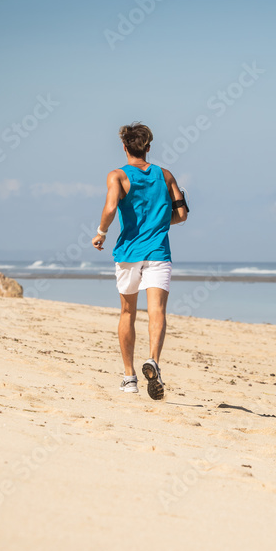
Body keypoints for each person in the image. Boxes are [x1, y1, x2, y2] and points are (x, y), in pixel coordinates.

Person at [92, 122, 188, 400]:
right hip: (158, 252)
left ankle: (129, 377)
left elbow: (111, 208)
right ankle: (153, 361)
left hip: (128, 254)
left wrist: (101, 233)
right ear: (148, 147)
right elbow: (181, 216)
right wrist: (159, 223)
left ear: (124, 147)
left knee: (127, 313)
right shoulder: (166, 175)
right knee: (156, 311)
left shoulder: (118, 176)